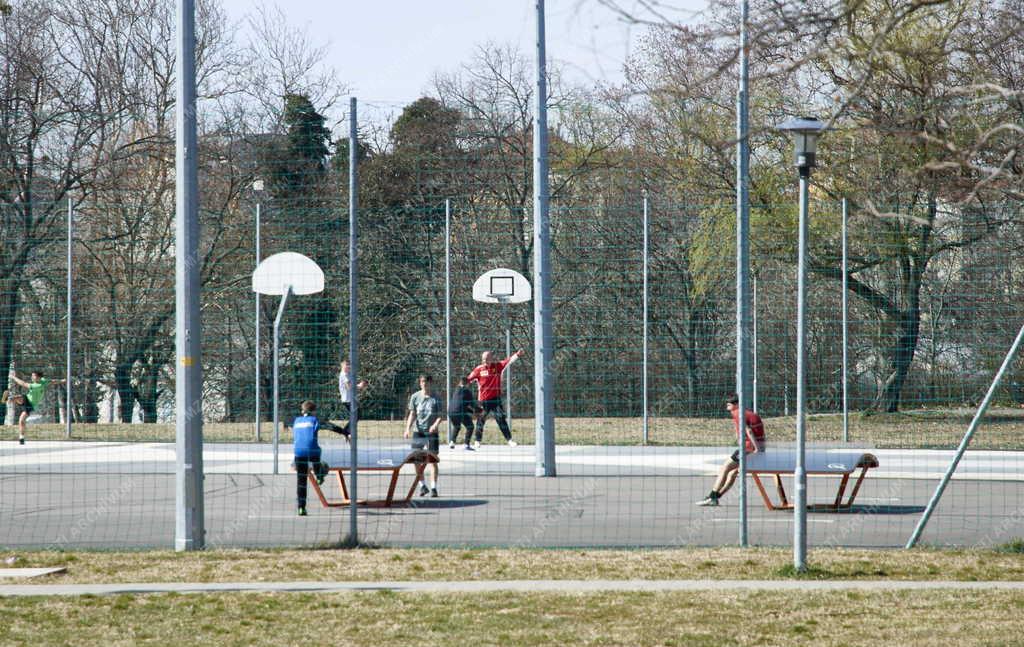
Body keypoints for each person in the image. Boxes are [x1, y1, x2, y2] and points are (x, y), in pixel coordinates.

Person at [696, 394, 766, 507]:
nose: (727, 406)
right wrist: (761, 448)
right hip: (754, 447)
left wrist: (756, 448)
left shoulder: (738, 413)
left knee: (725, 468)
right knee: (733, 473)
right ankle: (715, 497)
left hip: (748, 448)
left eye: (729, 404)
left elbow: (749, 431)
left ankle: (712, 496)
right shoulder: (749, 413)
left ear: (737, 405)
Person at [292, 400, 349, 516]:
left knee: (301, 481)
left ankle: (301, 508)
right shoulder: (315, 420)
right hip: (312, 451)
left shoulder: (295, 420)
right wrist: (344, 433)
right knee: (317, 454)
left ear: (302, 410)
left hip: (298, 453)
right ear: (314, 411)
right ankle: (319, 475)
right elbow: (331, 426)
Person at [466, 349, 524, 448]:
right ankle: (477, 441)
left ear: (491, 358)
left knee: (501, 418)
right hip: (483, 400)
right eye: (483, 359)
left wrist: (517, 355)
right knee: (481, 420)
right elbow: (468, 380)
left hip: (495, 399)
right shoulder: (478, 369)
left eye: (486, 358)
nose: (484, 361)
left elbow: (508, 360)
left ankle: (509, 440)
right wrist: (461, 388)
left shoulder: (498, 366)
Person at [404, 374, 441, 497]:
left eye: (427, 381)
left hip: (432, 433)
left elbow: (441, 416)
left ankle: (434, 488)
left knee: (433, 460)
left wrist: (435, 424)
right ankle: (422, 486)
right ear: (420, 383)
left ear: (431, 383)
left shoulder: (436, 397)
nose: (424, 384)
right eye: (422, 381)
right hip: (418, 432)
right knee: (416, 460)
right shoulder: (415, 397)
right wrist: (407, 429)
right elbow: (412, 414)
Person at [7, 370, 65, 445]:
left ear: (39, 377)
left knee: (21, 420)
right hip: (26, 399)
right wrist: (62, 380)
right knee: (19, 397)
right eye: (32, 375)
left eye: (33, 376)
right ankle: (10, 399)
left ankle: (21, 437)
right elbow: (53, 381)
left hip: (30, 405)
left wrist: (13, 377)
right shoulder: (43, 381)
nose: (32, 377)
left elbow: (23, 383)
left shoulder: (38, 385)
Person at [337, 359, 368, 436]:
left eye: (349, 364)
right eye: (346, 365)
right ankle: (346, 432)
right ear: (342, 366)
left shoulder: (348, 374)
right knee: (356, 415)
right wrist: (359, 386)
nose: (348, 366)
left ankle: (346, 432)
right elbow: (349, 387)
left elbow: (352, 385)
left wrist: (361, 385)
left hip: (351, 399)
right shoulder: (343, 374)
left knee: (357, 415)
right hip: (347, 400)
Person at [448, 378, 480, 450]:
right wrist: (480, 410)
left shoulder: (456, 390)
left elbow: (462, 405)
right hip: (460, 412)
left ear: (460, 383)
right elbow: (472, 404)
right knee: (470, 426)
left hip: (451, 412)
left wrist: (472, 412)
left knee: (457, 426)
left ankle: (452, 442)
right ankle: (466, 444)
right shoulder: (467, 391)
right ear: (467, 384)